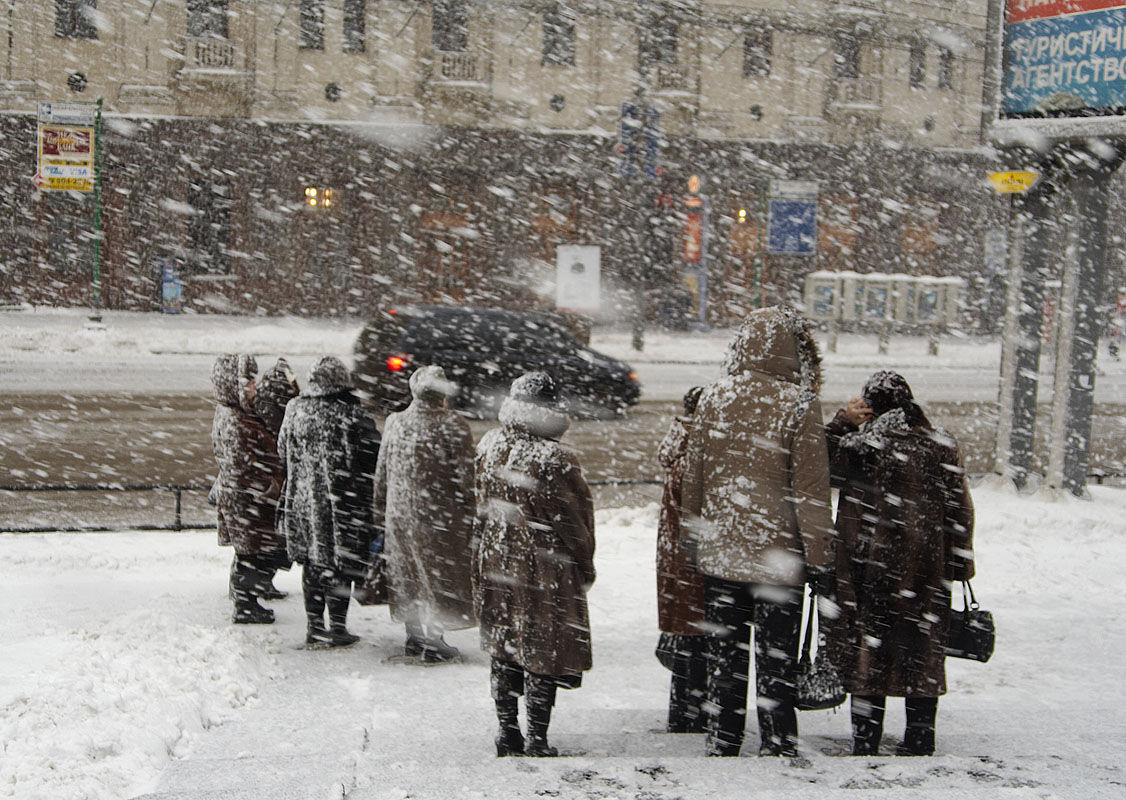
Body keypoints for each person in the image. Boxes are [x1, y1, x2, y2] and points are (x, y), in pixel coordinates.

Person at [680, 306, 836, 758]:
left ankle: (724, 737)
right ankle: (778, 740)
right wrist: (821, 558)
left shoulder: (714, 398)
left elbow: (695, 480)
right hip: (778, 558)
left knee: (725, 655)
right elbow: (810, 492)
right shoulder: (800, 403)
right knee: (776, 656)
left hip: (721, 553)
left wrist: (694, 536)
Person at [824, 371, 975, 757]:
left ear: (871, 406)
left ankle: (866, 738)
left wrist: (843, 421)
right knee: (921, 651)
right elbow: (960, 508)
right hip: (925, 562)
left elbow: (818, 466)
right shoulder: (940, 444)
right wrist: (959, 563)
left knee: (867, 649)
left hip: (866, 560)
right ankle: (921, 737)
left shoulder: (859, 445)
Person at [473, 372, 595, 757]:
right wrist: (584, 563)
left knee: (504, 645)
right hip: (544, 565)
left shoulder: (489, 444)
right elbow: (573, 519)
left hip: (496, 557)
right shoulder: (555, 457)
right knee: (541, 648)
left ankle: (507, 732)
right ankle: (537, 739)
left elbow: (477, 507)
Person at [373, 365, 477, 662]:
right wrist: (472, 512)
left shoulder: (395, 422)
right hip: (438, 516)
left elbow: (382, 472)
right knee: (436, 575)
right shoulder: (453, 425)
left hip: (400, 514)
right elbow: (466, 478)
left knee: (408, 574)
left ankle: (414, 636)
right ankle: (434, 641)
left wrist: (380, 511)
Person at [277, 356, 381, 648]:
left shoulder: (295, 408)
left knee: (313, 562)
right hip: (344, 504)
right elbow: (373, 455)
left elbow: (283, 451)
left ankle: (314, 626)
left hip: (305, 503)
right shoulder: (351, 413)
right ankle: (337, 626)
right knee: (342, 564)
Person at [210, 353, 286, 624]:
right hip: (247, 500)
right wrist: (270, 486)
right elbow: (241, 466)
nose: (255, 388)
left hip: (247, 499)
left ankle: (247, 597)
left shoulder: (236, 413)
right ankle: (245, 605)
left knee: (251, 551)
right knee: (249, 554)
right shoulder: (234, 419)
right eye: (250, 382)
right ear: (235, 385)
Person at [654, 385, 709, 733]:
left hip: (675, 560)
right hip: (693, 562)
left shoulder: (679, 448)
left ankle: (685, 710)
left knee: (688, 637)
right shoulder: (694, 459)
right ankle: (693, 713)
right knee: (697, 639)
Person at [251, 357, 301, 600]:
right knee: (273, 537)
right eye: (291, 382)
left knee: (271, 537)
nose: (295, 387)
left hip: (273, 482)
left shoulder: (268, 404)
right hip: (274, 483)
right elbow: (279, 446)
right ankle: (261, 581)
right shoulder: (275, 409)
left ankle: (261, 581)